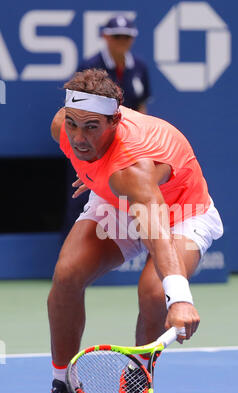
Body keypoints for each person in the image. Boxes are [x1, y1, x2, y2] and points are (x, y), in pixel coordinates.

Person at [43, 68, 224, 393]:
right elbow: (86, 150)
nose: (79, 136)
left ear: (115, 120)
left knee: (154, 291)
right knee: (66, 276)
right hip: (117, 200)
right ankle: (63, 385)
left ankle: (138, 371)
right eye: (74, 124)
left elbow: (155, 230)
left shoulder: (135, 167)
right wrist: (94, 172)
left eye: (92, 127)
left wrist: (181, 299)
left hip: (179, 214)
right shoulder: (62, 126)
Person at [63, 15, 151, 235]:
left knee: (127, 197)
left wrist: (137, 145)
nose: (122, 41)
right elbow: (78, 112)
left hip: (124, 148)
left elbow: (141, 108)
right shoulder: (90, 66)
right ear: (105, 37)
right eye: (116, 36)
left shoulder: (139, 67)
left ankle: (118, 253)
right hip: (92, 147)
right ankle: (71, 253)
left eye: (126, 36)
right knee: (81, 199)